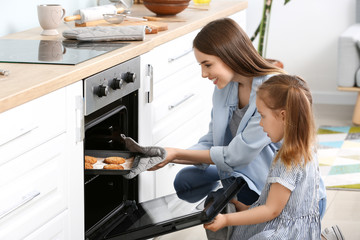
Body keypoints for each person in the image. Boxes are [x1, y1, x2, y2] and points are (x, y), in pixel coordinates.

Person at [149, 18, 326, 217]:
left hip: (275, 181)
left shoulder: (272, 89)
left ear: (229, 55)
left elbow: (238, 155)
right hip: (241, 168)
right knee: (186, 181)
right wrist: (168, 155)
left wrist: (175, 153)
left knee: (233, 197)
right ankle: (229, 203)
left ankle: (234, 209)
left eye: (207, 64)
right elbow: (211, 140)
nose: (203, 74)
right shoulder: (224, 87)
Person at [204, 74, 321, 239]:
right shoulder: (307, 148)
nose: (260, 123)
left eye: (263, 116)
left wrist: (226, 219)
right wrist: (247, 209)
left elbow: (271, 210)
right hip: (298, 228)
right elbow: (283, 205)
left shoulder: (288, 159)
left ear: (283, 116)